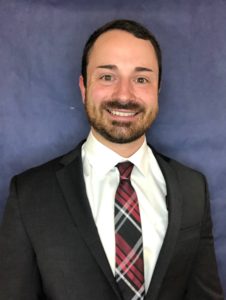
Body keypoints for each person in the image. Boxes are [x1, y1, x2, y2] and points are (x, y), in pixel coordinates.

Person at [0, 19, 224, 300]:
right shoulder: (30, 194)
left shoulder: (193, 188)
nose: (124, 95)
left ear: (157, 90)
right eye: (107, 76)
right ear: (84, 87)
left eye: (141, 79)